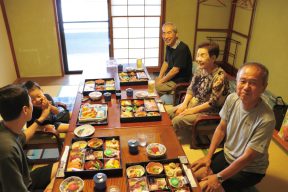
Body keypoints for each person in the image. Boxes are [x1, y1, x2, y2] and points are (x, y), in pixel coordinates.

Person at [191, 62, 276, 192]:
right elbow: (221, 129)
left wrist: (218, 178)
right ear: (236, 82)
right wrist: (208, 156)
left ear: (264, 87)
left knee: (203, 187)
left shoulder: (266, 119)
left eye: (253, 83)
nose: (246, 87)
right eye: (242, 81)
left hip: (249, 169)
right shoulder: (232, 99)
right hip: (227, 155)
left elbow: (248, 157)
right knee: (192, 173)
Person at [0, 84, 58, 192]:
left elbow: (23, 137)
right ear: (25, 110)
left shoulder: (5, 126)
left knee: (62, 166)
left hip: (25, 179)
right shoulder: (6, 151)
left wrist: (41, 118)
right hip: (21, 187)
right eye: (30, 101)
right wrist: (51, 186)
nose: (33, 103)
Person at [167, 42, 229, 132]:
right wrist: (184, 105)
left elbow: (212, 103)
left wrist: (191, 111)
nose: (198, 59)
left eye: (202, 56)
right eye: (197, 55)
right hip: (194, 103)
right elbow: (191, 88)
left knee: (177, 120)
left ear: (213, 58)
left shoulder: (220, 76)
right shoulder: (200, 69)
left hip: (209, 112)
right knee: (167, 114)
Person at [155, 22, 192, 96]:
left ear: (176, 34)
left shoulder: (182, 48)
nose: (166, 36)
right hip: (169, 79)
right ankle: (167, 92)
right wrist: (160, 77)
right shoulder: (169, 46)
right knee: (152, 82)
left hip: (178, 82)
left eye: (169, 33)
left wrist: (161, 81)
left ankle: (174, 93)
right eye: (164, 33)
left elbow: (175, 70)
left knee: (155, 87)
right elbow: (166, 62)